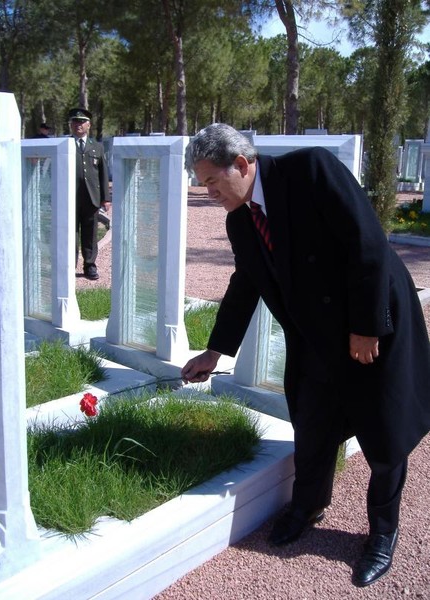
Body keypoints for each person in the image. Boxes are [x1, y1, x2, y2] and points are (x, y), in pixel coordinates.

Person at [181, 123, 430, 588]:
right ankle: (308, 506)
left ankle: (382, 532)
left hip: (374, 322)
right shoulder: (241, 220)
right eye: (203, 183)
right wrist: (215, 352)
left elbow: (368, 243)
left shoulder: (311, 170)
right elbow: (246, 284)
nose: (209, 191)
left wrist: (365, 326)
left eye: (213, 181)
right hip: (314, 336)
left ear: (241, 164)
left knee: (383, 430)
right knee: (313, 422)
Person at [69, 107, 110, 280]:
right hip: (70, 198)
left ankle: (90, 265)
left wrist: (105, 198)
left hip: (91, 197)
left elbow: (103, 173)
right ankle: (69, 266)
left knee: (90, 233)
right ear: (71, 125)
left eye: (82, 121)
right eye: (75, 121)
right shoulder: (65, 145)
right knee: (70, 233)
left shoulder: (97, 147)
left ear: (89, 125)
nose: (78, 124)